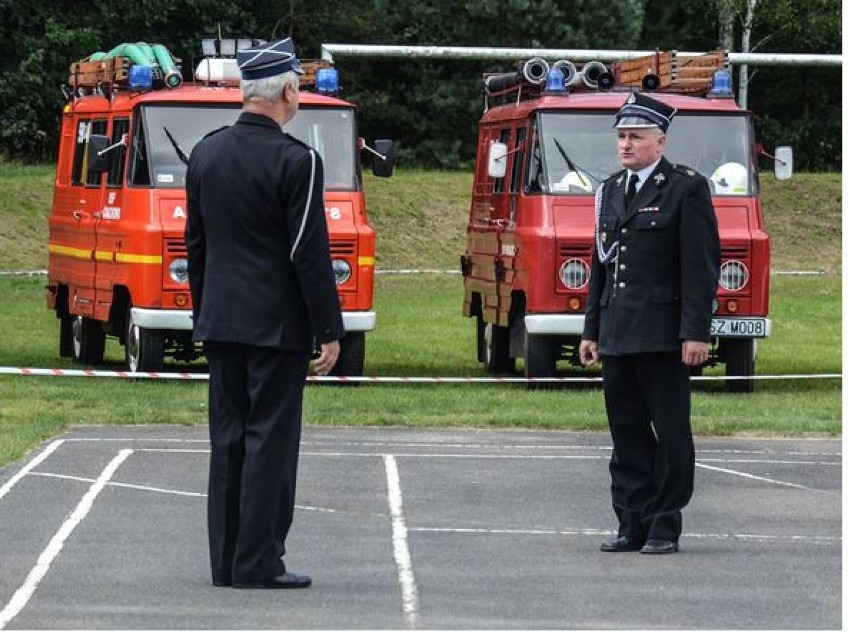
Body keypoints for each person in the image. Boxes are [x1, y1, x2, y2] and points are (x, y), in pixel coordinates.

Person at [185, 38, 344, 588]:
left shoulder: (205, 152)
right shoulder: (298, 161)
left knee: (227, 440)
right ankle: (257, 560)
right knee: (269, 443)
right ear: (287, 91)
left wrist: (203, 312)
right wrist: (328, 328)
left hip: (222, 320)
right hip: (277, 327)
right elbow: (308, 252)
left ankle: (226, 561)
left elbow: (196, 245)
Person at [579, 92, 720, 555]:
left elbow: (700, 267)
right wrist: (591, 330)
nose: (625, 144)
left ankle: (663, 523)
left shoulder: (685, 188)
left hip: (662, 336)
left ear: (659, 141)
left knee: (671, 433)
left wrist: (696, 331)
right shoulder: (610, 192)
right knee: (627, 434)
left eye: (635, 136)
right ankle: (631, 522)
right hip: (618, 334)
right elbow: (602, 268)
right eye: (621, 136)